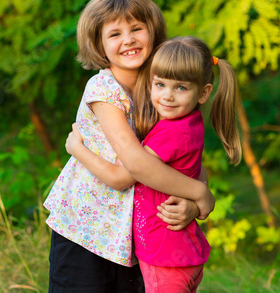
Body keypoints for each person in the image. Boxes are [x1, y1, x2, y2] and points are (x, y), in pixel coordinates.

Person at [43, 0, 215, 293]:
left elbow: (185, 148)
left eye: (137, 28)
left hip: (137, 234)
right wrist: (200, 193)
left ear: (153, 31)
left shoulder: (163, 85)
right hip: (88, 229)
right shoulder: (103, 91)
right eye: (115, 34)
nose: (129, 39)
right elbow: (130, 170)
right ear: (98, 44)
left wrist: (192, 202)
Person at [67, 36, 242, 292]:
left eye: (181, 88)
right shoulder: (189, 121)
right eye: (160, 84)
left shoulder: (170, 132)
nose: (168, 96)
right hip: (178, 251)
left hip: (166, 256)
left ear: (204, 93)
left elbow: (127, 174)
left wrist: (76, 149)